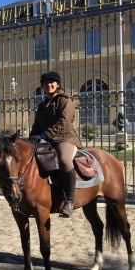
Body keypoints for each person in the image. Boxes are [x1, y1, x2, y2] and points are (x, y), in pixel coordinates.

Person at [29, 71, 83, 218]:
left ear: (58, 84)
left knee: (64, 160)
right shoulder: (41, 106)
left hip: (65, 138)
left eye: (52, 82)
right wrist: (30, 140)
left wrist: (45, 135)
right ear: (43, 86)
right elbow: (37, 125)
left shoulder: (65, 100)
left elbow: (63, 123)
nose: (49, 85)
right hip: (47, 140)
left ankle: (69, 201)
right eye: (46, 83)